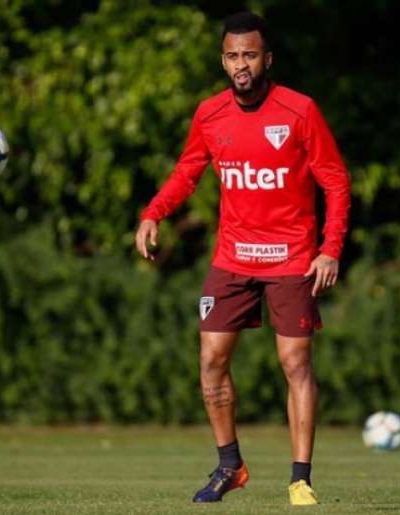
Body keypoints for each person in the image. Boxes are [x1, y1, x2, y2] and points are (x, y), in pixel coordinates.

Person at [135, 11, 351, 506]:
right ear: (223, 61)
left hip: (292, 257)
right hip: (232, 257)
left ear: (267, 58)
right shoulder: (210, 114)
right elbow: (188, 170)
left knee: (294, 362)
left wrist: (330, 249)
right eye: (232, 56)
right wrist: (154, 214)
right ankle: (230, 466)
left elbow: (335, 182)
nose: (241, 64)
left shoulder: (299, 111)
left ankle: (300, 479)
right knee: (211, 360)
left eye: (249, 54)